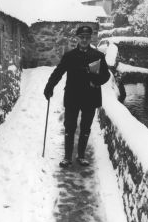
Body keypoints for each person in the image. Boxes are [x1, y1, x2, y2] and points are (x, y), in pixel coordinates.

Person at [44, 25, 110, 168]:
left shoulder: (98, 56)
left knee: (85, 127)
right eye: (82, 37)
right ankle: (67, 157)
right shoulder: (69, 56)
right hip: (73, 97)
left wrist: (95, 80)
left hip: (90, 98)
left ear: (90, 38)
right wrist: (49, 86)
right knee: (69, 127)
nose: (85, 40)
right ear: (77, 38)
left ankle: (81, 156)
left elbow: (106, 75)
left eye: (87, 37)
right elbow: (58, 72)